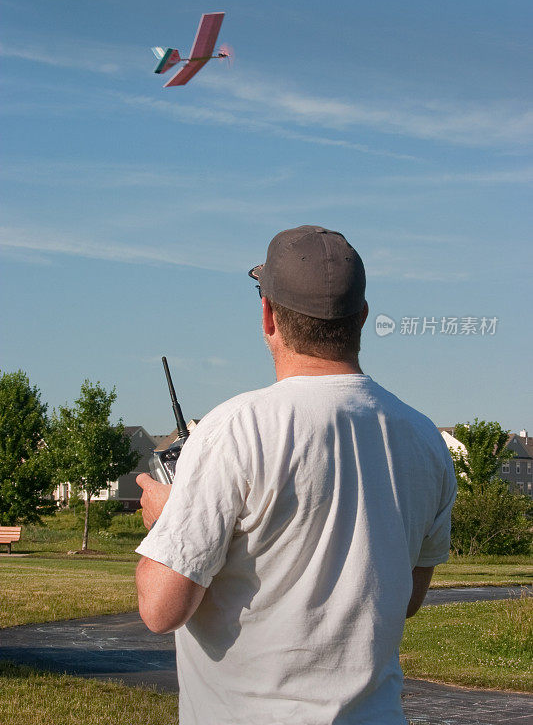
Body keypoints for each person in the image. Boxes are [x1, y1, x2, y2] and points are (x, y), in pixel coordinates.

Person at [135, 225, 457, 725]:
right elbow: (407, 599)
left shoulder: (232, 430)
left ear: (268, 316)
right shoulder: (425, 439)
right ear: (363, 317)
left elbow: (160, 609)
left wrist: (167, 517)